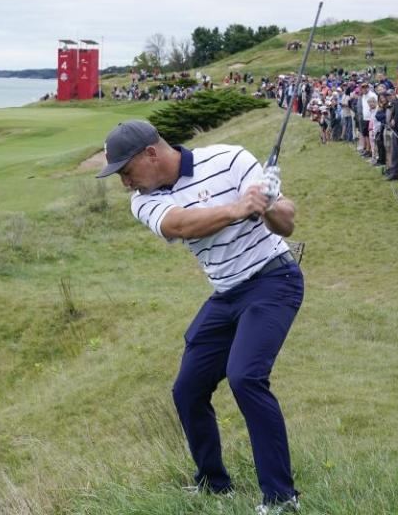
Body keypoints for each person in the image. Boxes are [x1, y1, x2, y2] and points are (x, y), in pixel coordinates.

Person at [96, 120, 304, 514]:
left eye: (126, 171)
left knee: (246, 377)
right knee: (188, 389)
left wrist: (270, 203)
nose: (125, 182)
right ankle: (213, 484)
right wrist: (239, 207)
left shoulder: (230, 158)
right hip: (226, 293)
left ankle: (281, 498)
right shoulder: (143, 200)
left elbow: (287, 222)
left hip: (273, 279)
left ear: (151, 154)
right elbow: (180, 224)